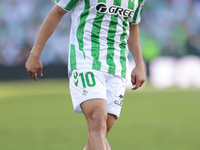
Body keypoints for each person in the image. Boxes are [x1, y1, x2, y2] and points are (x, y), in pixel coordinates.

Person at [25, 0, 146, 150]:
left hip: (117, 67)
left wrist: (139, 63)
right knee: (97, 120)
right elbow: (57, 12)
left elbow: (133, 25)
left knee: (101, 131)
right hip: (86, 59)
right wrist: (35, 54)